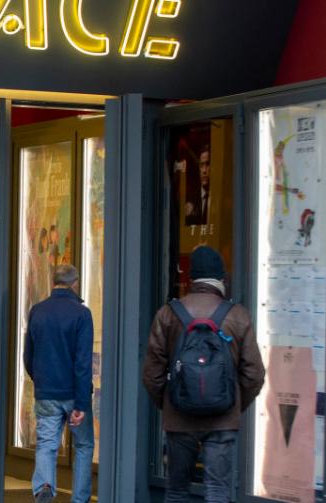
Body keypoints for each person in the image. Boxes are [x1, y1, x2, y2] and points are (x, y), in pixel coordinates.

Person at [142, 246, 265, 502]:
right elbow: (254, 374)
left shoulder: (168, 314)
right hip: (222, 420)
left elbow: (152, 374)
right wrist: (233, 402)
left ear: (191, 278)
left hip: (179, 419)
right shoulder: (238, 315)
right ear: (221, 279)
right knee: (218, 491)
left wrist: (170, 402)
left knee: (176, 491)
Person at [23, 264, 94, 503]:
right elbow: (83, 363)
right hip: (74, 393)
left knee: (47, 444)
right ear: (75, 284)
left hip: (47, 393)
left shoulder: (37, 311)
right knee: (83, 446)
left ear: (53, 282)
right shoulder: (81, 314)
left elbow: (28, 356)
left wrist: (41, 381)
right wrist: (82, 403)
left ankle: (44, 487)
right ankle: (80, 499)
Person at [185, 147, 211, 225]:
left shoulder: (220, 198)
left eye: (208, 164)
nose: (204, 170)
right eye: (201, 165)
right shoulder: (190, 199)